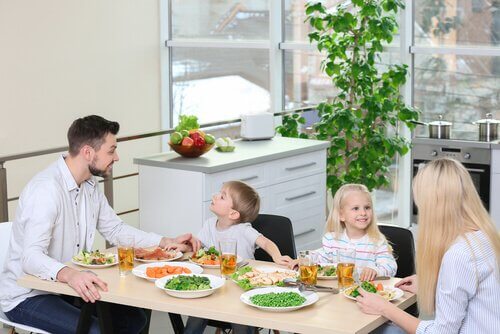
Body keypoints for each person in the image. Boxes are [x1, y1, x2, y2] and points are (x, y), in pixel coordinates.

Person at [0, 115, 201, 334]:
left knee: (134, 319)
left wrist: (165, 242)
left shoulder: (89, 185)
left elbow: (115, 229)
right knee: (96, 331)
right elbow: (30, 258)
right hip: (27, 296)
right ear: (88, 152)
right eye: (111, 150)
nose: (116, 157)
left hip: (66, 289)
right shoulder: (45, 191)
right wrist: (71, 274)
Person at [356, 158, 500, 333]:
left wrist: (384, 308)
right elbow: (471, 291)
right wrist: (439, 284)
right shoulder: (485, 236)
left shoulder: (458, 255)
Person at [184, 180, 294, 334]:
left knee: (241, 318)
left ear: (233, 213)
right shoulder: (209, 224)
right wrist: (181, 246)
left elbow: (266, 243)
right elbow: (195, 247)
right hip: (215, 285)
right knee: (197, 312)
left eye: (222, 197)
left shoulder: (243, 230)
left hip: (241, 288)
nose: (215, 196)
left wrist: (277, 256)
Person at [314, 183, 397, 281]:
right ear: (341, 215)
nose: (363, 213)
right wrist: (302, 261)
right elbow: (319, 259)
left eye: (367, 207)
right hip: (340, 291)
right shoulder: (332, 239)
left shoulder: (377, 241)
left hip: (368, 293)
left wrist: (375, 270)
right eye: (356, 208)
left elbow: (390, 267)